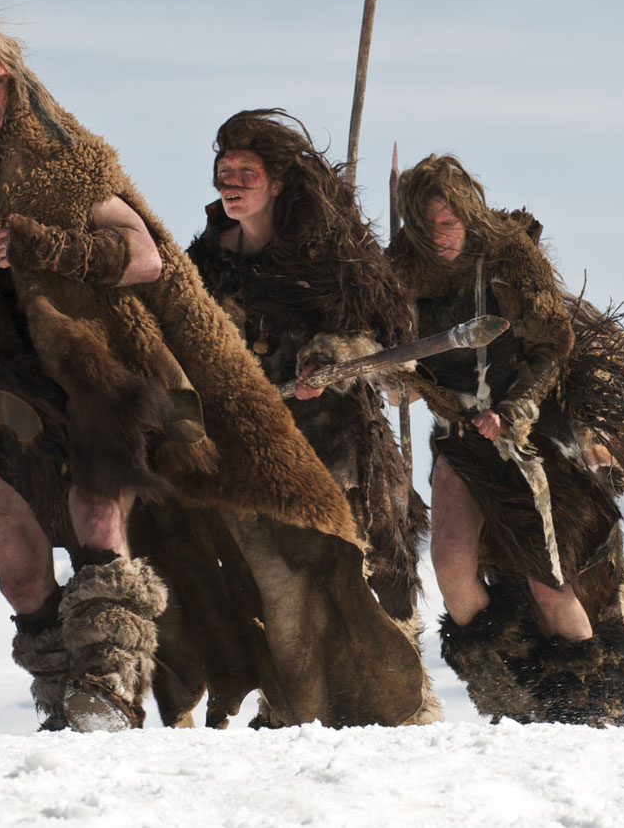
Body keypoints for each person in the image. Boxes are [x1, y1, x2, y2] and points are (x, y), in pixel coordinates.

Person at [0, 0, 427, 733]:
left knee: (99, 510)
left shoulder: (70, 167)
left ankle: (110, 693)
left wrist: (50, 248)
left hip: (92, 382)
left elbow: (146, 256)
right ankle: (64, 697)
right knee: (13, 557)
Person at [388, 155, 624, 727]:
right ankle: (509, 689)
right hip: (458, 438)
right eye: (428, 225)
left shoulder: (510, 261)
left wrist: (515, 410)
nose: (440, 236)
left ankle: (590, 700)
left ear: (468, 217)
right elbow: (391, 363)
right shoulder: (399, 278)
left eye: (449, 222)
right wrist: (389, 378)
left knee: (549, 579)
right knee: (450, 565)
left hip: (533, 438)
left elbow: (551, 345)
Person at [184, 109, 437, 721]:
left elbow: (387, 341)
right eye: (224, 171)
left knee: (371, 561)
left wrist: (332, 355)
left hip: (337, 435)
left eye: (246, 170)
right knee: (267, 577)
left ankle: (405, 700)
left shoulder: (331, 258)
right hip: (251, 441)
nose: (232, 181)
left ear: (276, 182)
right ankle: (292, 703)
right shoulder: (203, 262)